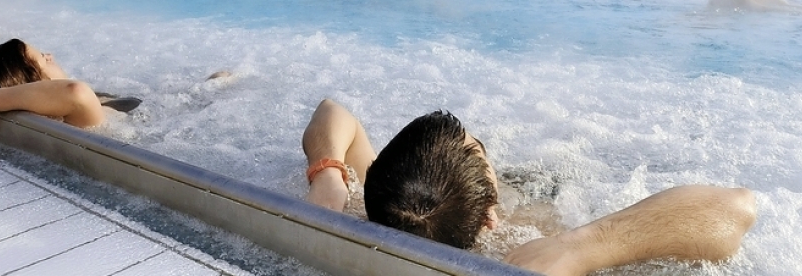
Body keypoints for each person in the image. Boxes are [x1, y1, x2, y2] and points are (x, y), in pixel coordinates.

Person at [302, 99, 756, 276]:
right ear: (488, 215)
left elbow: (332, 112)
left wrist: (326, 172)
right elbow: (735, 208)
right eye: (479, 149)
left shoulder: (387, 206)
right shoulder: (531, 242)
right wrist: (583, 246)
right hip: (549, 203)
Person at [0, 39, 106, 141]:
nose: (51, 55)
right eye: (45, 59)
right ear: (40, 83)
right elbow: (76, 91)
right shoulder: (77, 116)